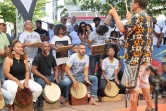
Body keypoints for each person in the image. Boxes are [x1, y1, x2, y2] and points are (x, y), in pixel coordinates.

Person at [109, 0, 154, 111]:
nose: (130, 4)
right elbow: (137, 31)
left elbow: (122, 29)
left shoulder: (137, 17)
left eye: (132, 2)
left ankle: (133, 110)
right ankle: (150, 107)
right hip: (146, 57)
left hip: (135, 58)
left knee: (133, 86)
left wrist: (115, 15)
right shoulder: (148, 18)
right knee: (144, 83)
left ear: (136, 4)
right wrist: (130, 19)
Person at [3, 40, 42, 111]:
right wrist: (17, 82)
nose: (20, 48)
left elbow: (27, 71)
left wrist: (26, 81)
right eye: (18, 47)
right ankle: (11, 106)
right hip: (10, 80)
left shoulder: (24, 58)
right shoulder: (8, 59)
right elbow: (6, 73)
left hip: (23, 79)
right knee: (12, 89)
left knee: (38, 89)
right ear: (13, 48)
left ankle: (30, 102)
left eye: (21, 47)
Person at [32, 41, 68, 110]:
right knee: (41, 85)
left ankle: (65, 100)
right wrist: (44, 78)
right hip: (39, 77)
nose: (47, 48)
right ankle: (40, 104)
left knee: (64, 84)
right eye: (45, 46)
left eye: (48, 46)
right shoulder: (38, 57)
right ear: (42, 47)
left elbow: (55, 68)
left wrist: (56, 77)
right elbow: (33, 70)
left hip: (49, 76)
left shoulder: (51, 57)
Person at [0, 18, 9, 83]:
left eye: (2, 25)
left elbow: (7, 47)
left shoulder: (4, 35)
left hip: (2, 60)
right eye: (0, 24)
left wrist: (7, 52)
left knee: (2, 80)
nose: (1, 26)